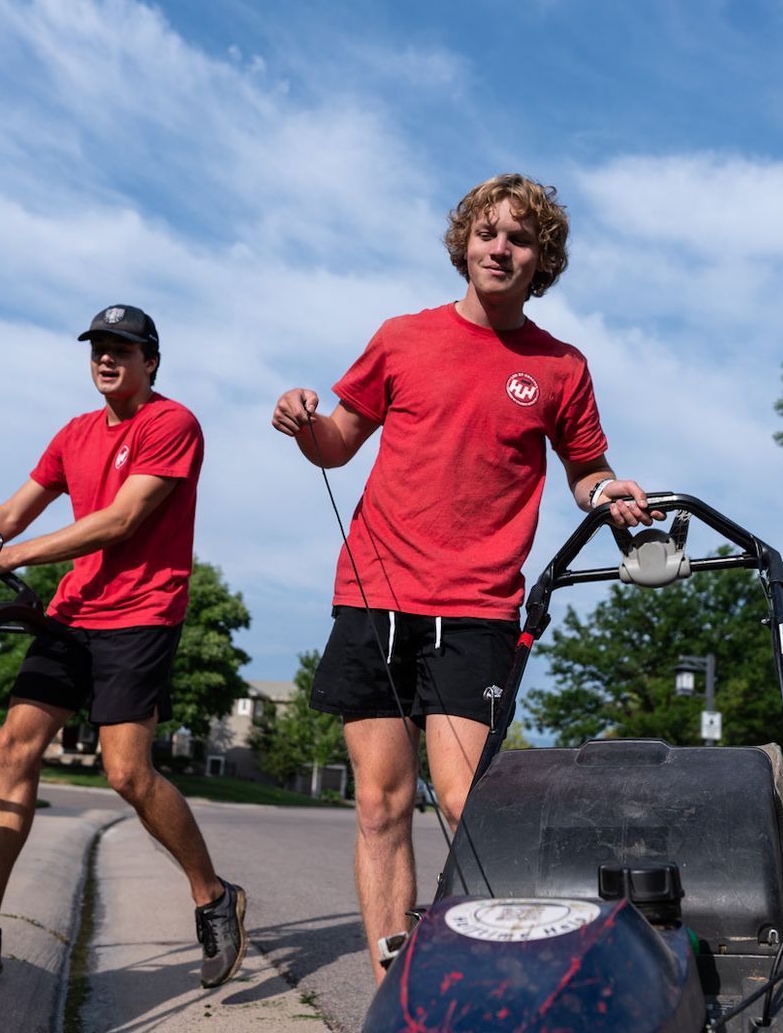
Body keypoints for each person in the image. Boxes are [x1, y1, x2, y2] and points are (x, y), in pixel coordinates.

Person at [270, 174, 657, 981]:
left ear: (539, 259)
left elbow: (586, 469)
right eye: (488, 233)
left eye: (519, 238)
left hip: (478, 608)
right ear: (465, 245)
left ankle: (487, 977)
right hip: (376, 597)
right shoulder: (401, 339)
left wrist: (608, 490)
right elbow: (338, 442)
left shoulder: (559, 366)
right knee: (379, 804)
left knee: (466, 807)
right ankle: (392, 994)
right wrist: (303, 421)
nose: (500, 248)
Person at [0, 303, 247, 988]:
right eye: (99, 348)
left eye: (123, 349)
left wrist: (12, 558)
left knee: (128, 773)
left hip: (141, 614)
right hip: (73, 612)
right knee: (14, 746)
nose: (108, 358)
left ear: (150, 362)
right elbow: (8, 515)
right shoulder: (73, 433)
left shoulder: (172, 424)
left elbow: (121, 520)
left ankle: (214, 895)